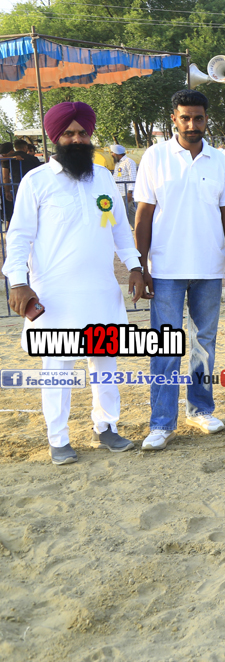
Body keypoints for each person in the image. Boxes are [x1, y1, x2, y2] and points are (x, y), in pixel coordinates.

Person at [3, 101, 146, 465]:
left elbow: (119, 229)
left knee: (105, 362)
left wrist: (134, 266)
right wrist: (18, 282)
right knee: (58, 367)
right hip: (55, 294)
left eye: (82, 133)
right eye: (68, 133)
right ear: (56, 138)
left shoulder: (103, 178)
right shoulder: (36, 181)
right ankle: (59, 438)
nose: (77, 139)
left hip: (100, 289)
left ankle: (106, 427)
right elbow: (18, 237)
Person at [134, 90, 225, 450]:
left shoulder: (219, 160)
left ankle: (201, 410)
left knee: (203, 345)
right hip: (165, 269)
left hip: (209, 269)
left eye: (198, 117)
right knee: (166, 348)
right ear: (174, 119)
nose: (192, 124)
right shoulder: (155, 157)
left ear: (206, 119)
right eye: (185, 118)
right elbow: (144, 215)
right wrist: (141, 265)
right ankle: (161, 423)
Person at [2, 138, 43, 223]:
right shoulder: (33, 159)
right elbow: (40, 173)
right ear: (25, 148)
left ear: (15, 147)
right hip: (33, 187)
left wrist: (7, 191)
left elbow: (5, 177)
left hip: (16, 187)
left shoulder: (9, 159)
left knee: (18, 211)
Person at [110, 144, 138, 224]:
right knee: (130, 213)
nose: (111, 155)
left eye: (112, 152)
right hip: (119, 193)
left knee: (121, 215)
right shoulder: (118, 163)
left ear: (116, 153)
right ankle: (141, 228)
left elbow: (133, 178)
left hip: (125, 194)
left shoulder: (129, 162)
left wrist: (130, 192)